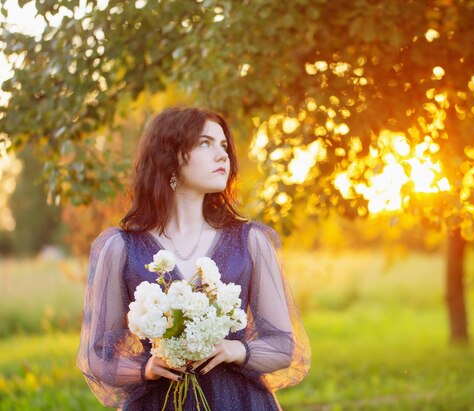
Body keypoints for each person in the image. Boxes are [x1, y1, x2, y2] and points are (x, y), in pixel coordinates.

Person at [77, 107, 311, 410]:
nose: (222, 156)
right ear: (170, 156)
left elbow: (283, 346)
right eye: (205, 143)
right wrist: (144, 368)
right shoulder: (122, 247)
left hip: (239, 402)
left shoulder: (251, 241)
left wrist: (234, 349)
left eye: (224, 146)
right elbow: (98, 355)